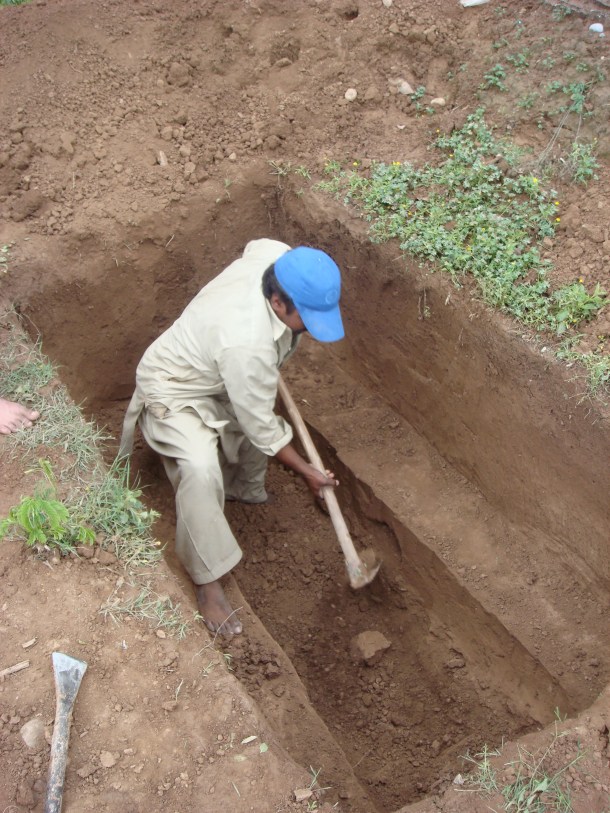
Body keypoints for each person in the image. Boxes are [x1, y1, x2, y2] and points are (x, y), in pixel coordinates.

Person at [119, 238, 344, 636]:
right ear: (277, 302)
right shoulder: (248, 345)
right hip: (173, 386)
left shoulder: (278, 258)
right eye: (307, 317)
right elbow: (262, 428)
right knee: (202, 468)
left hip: (217, 372)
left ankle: (244, 490)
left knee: (254, 417)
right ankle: (207, 579)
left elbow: (258, 243)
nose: (312, 326)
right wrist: (307, 470)